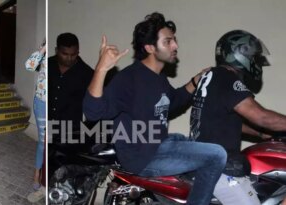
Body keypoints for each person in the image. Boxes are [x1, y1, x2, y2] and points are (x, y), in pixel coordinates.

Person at [83, 12, 227, 205]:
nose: (175, 45)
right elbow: (93, 112)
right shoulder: (130, 79)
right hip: (143, 157)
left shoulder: (158, 78)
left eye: (174, 40)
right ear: (150, 47)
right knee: (217, 155)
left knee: (191, 140)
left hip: (158, 145)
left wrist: (195, 81)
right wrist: (101, 69)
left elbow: (172, 102)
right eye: (168, 42)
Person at [189, 30, 286, 205]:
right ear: (239, 54)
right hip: (219, 169)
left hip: (206, 162)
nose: (257, 61)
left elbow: (225, 120)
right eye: (254, 56)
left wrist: (260, 135)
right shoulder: (227, 79)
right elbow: (262, 117)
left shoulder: (214, 77)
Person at [47, 32, 93, 131]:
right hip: (47, 124)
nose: (69, 58)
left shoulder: (87, 73)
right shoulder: (48, 65)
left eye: (73, 54)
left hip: (71, 130)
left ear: (78, 52)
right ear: (56, 50)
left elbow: (92, 106)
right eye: (65, 54)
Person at [24, 40, 46, 202]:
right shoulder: (42, 56)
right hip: (41, 103)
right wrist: (42, 50)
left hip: (57, 106)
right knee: (43, 142)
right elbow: (29, 66)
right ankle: (37, 173)